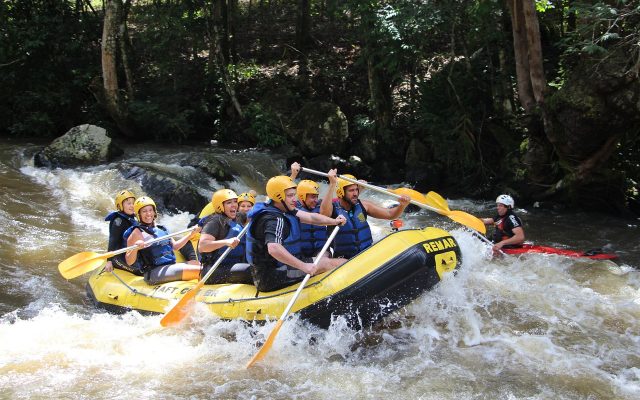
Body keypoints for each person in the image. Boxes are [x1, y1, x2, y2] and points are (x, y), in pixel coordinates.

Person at [246, 175, 347, 292]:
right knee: (339, 263)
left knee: (325, 259)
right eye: (290, 196)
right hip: (273, 275)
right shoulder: (273, 219)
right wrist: (304, 266)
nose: (295, 199)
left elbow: (311, 218)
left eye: (294, 194)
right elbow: (273, 248)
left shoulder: (283, 209)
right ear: (278, 197)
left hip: (275, 270)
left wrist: (334, 221)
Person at [319, 169, 411, 259]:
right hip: (344, 260)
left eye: (356, 189)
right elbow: (323, 215)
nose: (355, 193)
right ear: (340, 192)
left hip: (366, 256)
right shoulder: (333, 209)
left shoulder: (364, 205)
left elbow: (390, 214)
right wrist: (332, 184)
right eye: (351, 190)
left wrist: (402, 205)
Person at [124, 196, 202, 285]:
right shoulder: (136, 232)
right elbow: (129, 261)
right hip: (153, 272)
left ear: (154, 211)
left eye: (150, 210)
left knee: (196, 264)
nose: (148, 214)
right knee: (199, 270)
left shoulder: (162, 229)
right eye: (144, 211)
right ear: (139, 214)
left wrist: (191, 234)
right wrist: (135, 248)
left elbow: (175, 246)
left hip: (170, 266)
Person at [198, 189, 246, 284]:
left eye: (235, 202)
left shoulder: (237, 218)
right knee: (250, 270)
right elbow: (202, 246)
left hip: (235, 264)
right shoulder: (214, 221)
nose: (234, 205)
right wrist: (226, 242)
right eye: (229, 203)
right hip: (214, 270)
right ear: (220, 206)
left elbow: (252, 214)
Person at [104, 189, 138, 273]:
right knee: (140, 271)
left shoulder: (134, 217)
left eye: (133, 203)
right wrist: (109, 260)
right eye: (129, 203)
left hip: (129, 254)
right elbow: (113, 240)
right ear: (120, 206)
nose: (132, 206)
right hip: (118, 257)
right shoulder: (118, 221)